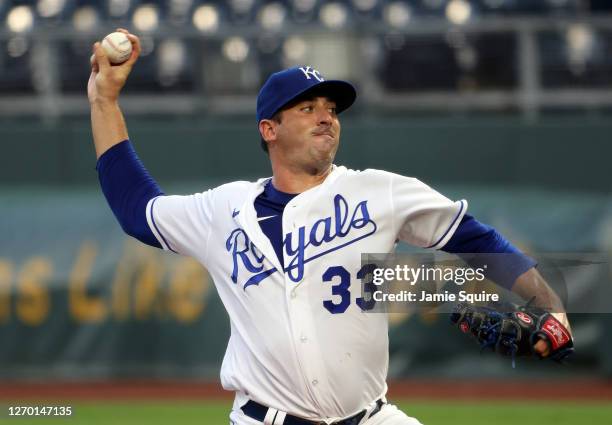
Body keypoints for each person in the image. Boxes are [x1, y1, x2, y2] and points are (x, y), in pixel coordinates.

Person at [89, 30, 572, 425]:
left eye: (332, 109)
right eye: (308, 108)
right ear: (268, 129)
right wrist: (104, 101)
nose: (326, 117)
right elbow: (137, 208)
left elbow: (474, 237)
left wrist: (551, 304)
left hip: (371, 418)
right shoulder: (224, 209)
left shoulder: (379, 191)